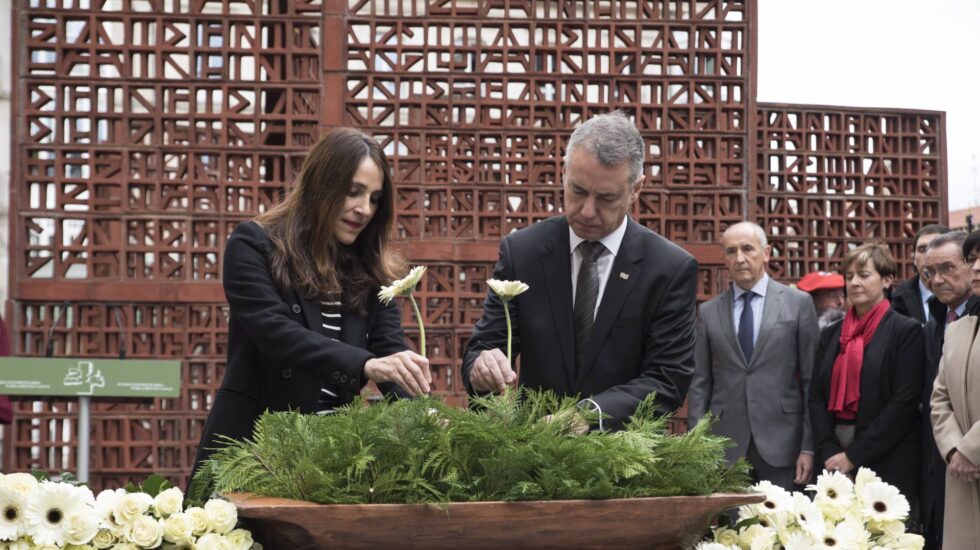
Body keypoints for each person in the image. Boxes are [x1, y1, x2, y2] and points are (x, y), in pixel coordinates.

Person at [193, 128, 431, 474]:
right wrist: (365, 364)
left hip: (332, 459)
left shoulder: (369, 269)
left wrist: (422, 416)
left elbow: (389, 353)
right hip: (252, 447)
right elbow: (276, 333)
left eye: (375, 198)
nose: (364, 209)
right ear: (322, 185)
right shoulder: (254, 244)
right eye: (353, 192)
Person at [461, 111, 698, 428]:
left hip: (623, 461)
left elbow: (667, 379)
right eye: (578, 190)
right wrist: (481, 368)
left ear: (636, 189)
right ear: (563, 172)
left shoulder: (668, 269)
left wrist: (587, 416)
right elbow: (485, 345)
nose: (587, 210)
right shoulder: (523, 252)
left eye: (606, 198)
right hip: (532, 454)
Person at [688, 221, 818, 491]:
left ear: (766, 252)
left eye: (748, 249)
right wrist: (698, 445)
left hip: (784, 442)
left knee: (782, 528)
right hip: (725, 445)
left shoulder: (798, 304)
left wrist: (808, 446)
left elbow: (812, 383)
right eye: (731, 251)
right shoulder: (710, 312)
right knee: (730, 530)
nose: (740, 258)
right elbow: (700, 384)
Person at [808, 243, 923, 502]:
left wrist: (853, 457)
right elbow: (815, 396)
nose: (855, 283)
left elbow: (903, 403)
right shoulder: (831, 333)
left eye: (864, 275)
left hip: (888, 457)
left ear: (887, 280)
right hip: (833, 458)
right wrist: (830, 452)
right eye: (849, 277)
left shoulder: (905, 331)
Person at [920, 231, 979, 549]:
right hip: (958, 467)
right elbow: (938, 397)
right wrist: (955, 449)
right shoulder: (952, 326)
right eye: (973, 259)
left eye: (949, 268)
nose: (937, 280)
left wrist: (970, 449)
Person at [893, 224, 949, 324]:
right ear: (914, 257)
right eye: (922, 250)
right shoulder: (897, 299)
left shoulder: (967, 295)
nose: (928, 255)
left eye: (935, 247)